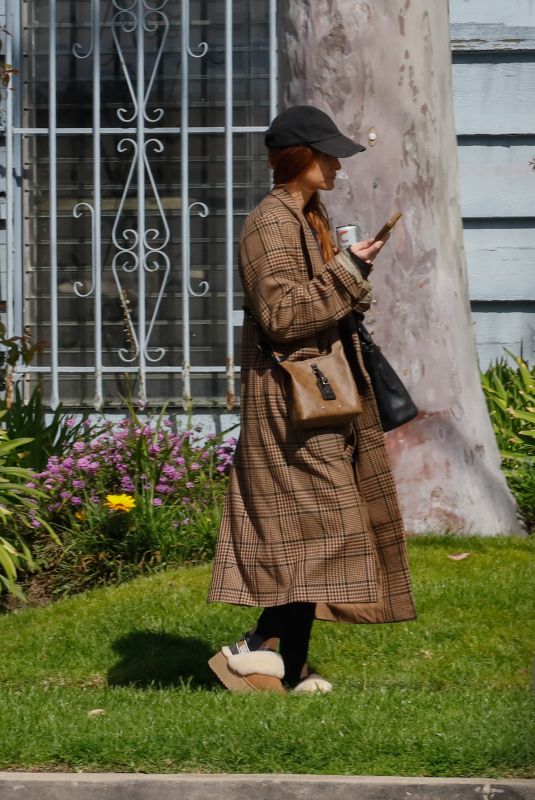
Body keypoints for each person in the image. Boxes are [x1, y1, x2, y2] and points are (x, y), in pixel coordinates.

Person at [207, 105, 416, 694]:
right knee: (323, 529)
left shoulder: (307, 218)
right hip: (289, 403)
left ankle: (287, 661)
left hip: (317, 397)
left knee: (313, 534)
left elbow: (317, 303)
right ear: (297, 158)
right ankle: (252, 649)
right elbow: (281, 316)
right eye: (326, 154)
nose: (335, 165)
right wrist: (349, 271)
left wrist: (349, 270)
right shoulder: (270, 224)